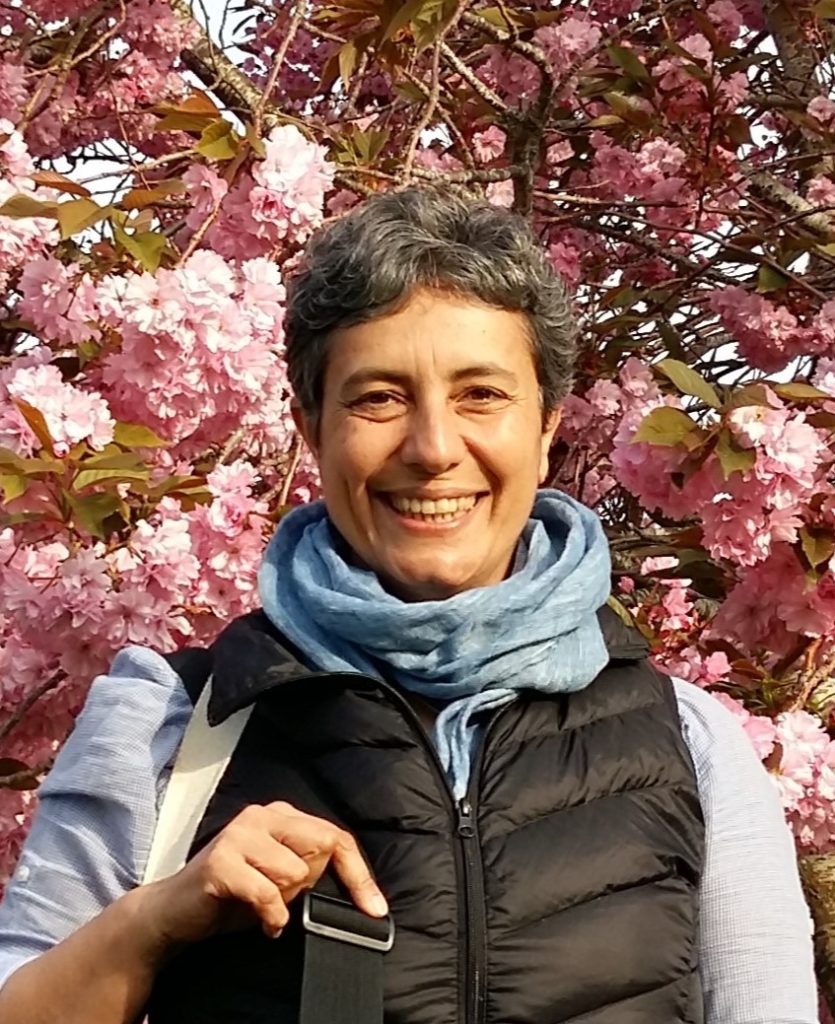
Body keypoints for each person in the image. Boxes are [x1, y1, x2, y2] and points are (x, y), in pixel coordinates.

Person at [0, 187, 818, 1024]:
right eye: (378, 398)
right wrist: (153, 922)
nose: (431, 448)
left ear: (545, 430)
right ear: (312, 430)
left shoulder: (689, 745)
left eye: (480, 395)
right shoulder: (173, 727)